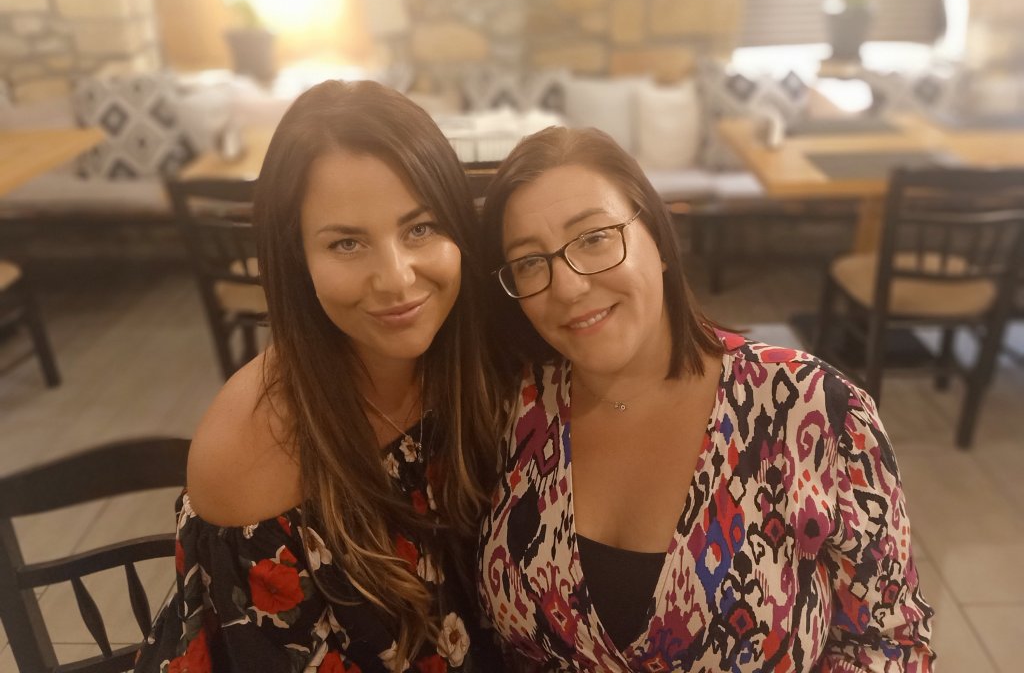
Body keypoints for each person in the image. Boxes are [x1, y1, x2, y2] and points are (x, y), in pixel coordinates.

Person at [477, 126, 934, 672]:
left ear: (659, 240)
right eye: (531, 261)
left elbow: (889, 641)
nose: (568, 286)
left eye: (594, 238)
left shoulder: (810, 407)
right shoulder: (516, 408)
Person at [136, 80, 502, 672]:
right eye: (347, 243)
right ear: (296, 258)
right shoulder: (248, 453)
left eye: (420, 228)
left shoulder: (489, 363)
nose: (397, 279)